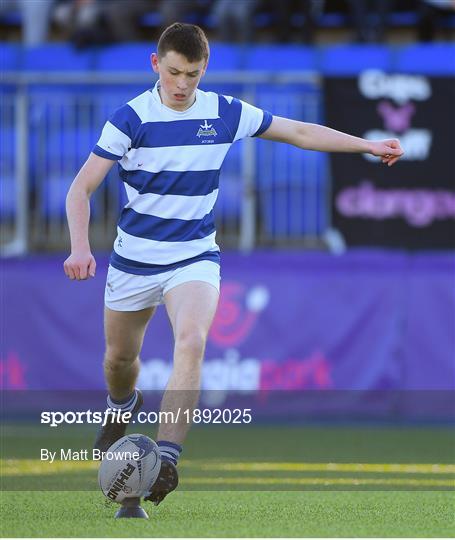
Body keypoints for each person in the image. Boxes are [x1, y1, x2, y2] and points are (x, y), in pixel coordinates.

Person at [63, 22, 404, 506]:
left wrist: (367, 145)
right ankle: (122, 404)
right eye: (175, 72)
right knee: (120, 361)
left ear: (206, 69)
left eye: (194, 75)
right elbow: (81, 188)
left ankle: (166, 457)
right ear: (155, 64)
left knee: (193, 339)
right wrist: (80, 247)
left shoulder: (223, 111)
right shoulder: (129, 119)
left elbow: (300, 131)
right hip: (134, 260)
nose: (182, 85)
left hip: (194, 256)